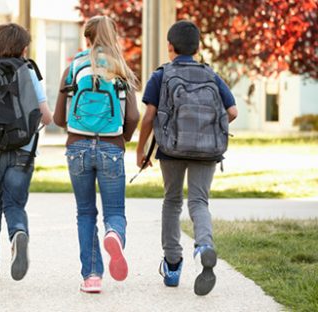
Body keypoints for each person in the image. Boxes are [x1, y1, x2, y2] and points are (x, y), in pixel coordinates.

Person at [136, 20, 238, 296]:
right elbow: (233, 111)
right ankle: (204, 247)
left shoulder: (161, 75)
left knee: (172, 201)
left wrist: (141, 150)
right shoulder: (211, 76)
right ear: (198, 47)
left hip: (171, 148)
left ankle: (172, 265)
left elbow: (148, 116)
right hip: (207, 149)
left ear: (169, 46)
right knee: (199, 201)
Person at [53, 16, 140, 293]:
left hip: (77, 147)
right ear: (113, 38)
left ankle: (92, 276)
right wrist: (122, 138)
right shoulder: (120, 68)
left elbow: (58, 117)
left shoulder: (74, 68)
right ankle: (114, 234)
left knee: (85, 212)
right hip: (111, 147)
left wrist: (76, 128)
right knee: (114, 210)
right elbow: (134, 115)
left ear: (86, 39)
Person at [0, 23, 53, 283]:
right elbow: (47, 117)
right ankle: (18, 232)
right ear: (24, 48)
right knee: (14, 204)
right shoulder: (28, 72)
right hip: (22, 149)